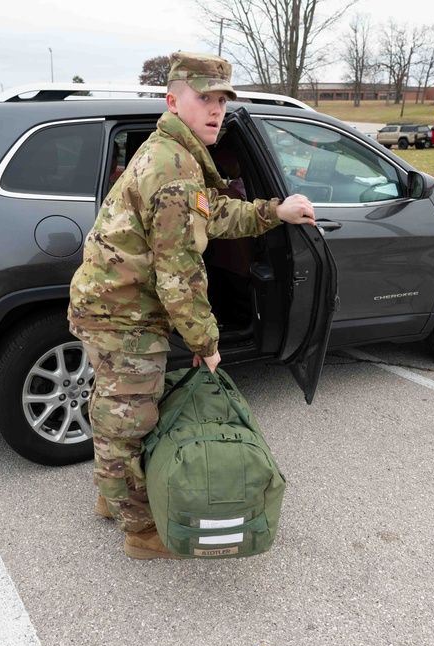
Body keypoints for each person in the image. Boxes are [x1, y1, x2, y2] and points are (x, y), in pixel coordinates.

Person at [67, 51, 316, 560]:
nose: (216, 109)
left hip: (114, 308)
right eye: (204, 97)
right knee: (129, 419)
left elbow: (216, 215)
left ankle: (109, 496)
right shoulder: (174, 166)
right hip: (123, 315)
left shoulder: (176, 154)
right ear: (173, 100)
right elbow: (179, 273)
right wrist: (206, 343)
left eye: (222, 99)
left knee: (118, 410)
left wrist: (276, 211)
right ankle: (139, 529)